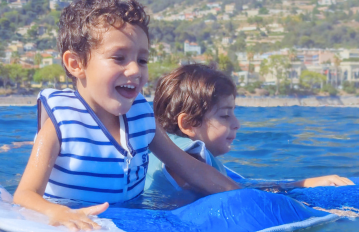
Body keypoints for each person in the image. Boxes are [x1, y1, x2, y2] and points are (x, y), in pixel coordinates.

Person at [13, 0, 242, 232]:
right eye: (119, 58)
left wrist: (244, 197)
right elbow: (25, 195)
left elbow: (191, 169)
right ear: (76, 64)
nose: (134, 70)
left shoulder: (142, 119)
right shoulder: (61, 124)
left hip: (126, 229)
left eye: (142, 60)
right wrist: (59, 213)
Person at [149, 64, 353, 194]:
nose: (236, 123)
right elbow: (236, 195)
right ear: (188, 124)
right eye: (225, 115)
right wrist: (301, 189)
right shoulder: (190, 160)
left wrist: (301, 183)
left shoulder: (164, 147)